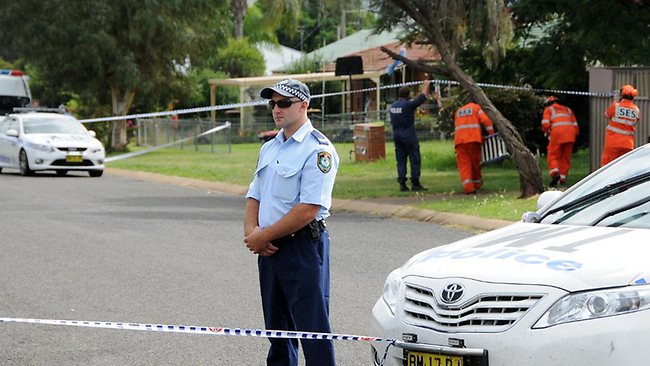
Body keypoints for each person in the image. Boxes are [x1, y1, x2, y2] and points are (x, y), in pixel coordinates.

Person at [243, 79, 339, 366]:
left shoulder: (318, 150)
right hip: (269, 249)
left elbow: (308, 209)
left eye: (284, 102)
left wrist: (264, 235)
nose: (276, 109)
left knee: (313, 331)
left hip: (302, 249)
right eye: (272, 103)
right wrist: (252, 233)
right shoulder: (270, 147)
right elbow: (255, 194)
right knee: (277, 331)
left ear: (303, 105)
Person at [389, 75, 430, 192]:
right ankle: (415, 182)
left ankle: (402, 183)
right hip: (409, 135)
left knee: (401, 159)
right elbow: (422, 97)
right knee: (414, 158)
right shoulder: (408, 105)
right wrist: (426, 85)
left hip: (397, 135)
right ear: (408, 95)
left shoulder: (393, 106)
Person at [453, 98, 494, 194]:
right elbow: (486, 120)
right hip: (473, 139)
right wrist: (491, 134)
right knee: (475, 163)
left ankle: (468, 188)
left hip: (459, 142)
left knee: (464, 165)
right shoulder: (476, 108)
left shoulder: (459, 111)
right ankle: (477, 184)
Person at [541, 96, 579, 187]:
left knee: (553, 154)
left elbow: (545, 124)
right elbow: (576, 127)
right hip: (570, 134)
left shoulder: (549, 110)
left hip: (557, 134)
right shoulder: (568, 110)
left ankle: (555, 173)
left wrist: (547, 132)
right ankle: (562, 178)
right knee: (565, 157)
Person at [600, 84, 640, 167]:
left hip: (613, 142)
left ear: (622, 95)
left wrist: (615, 100)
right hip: (628, 144)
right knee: (623, 167)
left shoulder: (616, 106)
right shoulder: (636, 110)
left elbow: (607, 115)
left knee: (607, 166)